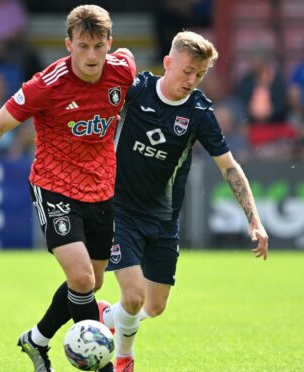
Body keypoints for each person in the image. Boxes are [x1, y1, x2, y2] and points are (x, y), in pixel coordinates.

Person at [0, 5, 136, 372]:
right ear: (68, 44)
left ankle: (36, 340)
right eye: (82, 46)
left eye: (98, 46)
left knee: (90, 282)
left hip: (101, 190)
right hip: (54, 187)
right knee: (83, 278)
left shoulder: (122, 71)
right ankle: (98, 364)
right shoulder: (46, 85)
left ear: (108, 44)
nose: (91, 55)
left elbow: (131, 61)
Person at [97, 31, 269, 372]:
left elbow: (229, 168)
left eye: (200, 74)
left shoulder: (199, 112)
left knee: (155, 306)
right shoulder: (139, 90)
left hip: (163, 219)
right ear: (168, 63)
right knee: (134, 296)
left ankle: (107, 316)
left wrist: (254, 219)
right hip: (120, 210)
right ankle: (124, 358)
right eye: (187, 70)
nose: (192, 80)